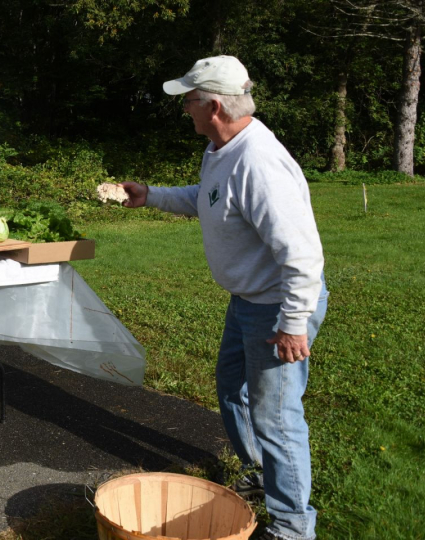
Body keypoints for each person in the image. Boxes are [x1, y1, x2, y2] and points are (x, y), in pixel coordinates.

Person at [121, 56, 328, 540]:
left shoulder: (258, 161)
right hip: (248, 303)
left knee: (276, 416)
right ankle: (263, 474)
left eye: (189, 101)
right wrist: (149, 195)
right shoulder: (222, 149)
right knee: (231, 389)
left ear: (214, 105)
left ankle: (293, 526)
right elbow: (206, 199)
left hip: (277, 307)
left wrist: (294, 321)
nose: (184, 109)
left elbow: (301, 253)